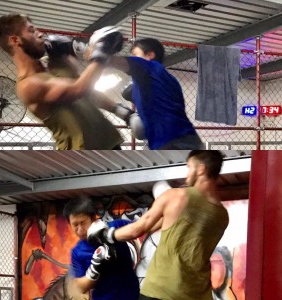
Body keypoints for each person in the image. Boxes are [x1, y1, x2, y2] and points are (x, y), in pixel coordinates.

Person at [87, 150, 229, 300]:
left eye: (189, 167)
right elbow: (163, 225)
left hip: (162, 289)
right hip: (198, 294)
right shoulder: (222, 215)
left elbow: (138, 229)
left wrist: (104, 234)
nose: (187, 174)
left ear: (201, 169)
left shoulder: (177, 196)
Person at [0, 14, 129, 150]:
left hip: (110, 143)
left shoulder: (55, 64)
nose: (40, 34)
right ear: (15, 40)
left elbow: (87, 91)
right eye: (31, 31)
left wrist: (121, 111)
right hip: (81, 156)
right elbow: (79, 88)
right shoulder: (27, 86)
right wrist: (101, 51)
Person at [87, 37, 205, 150]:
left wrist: (95, 52)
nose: (133, 58)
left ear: (149, 55)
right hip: (182, 138)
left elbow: (120, 62)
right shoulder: (159, 80)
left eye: (135, 54)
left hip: (173, 141)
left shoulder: (152, 67)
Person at [63, 196, 140, 300]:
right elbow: (81, 287)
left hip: (131, 296)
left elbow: (139, 228)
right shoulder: (77, 252)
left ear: (93, 218)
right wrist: (95, 268)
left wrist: (112, 235)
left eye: (83, 223)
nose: (80, 229)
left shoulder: (115, 226)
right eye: (75, 225)